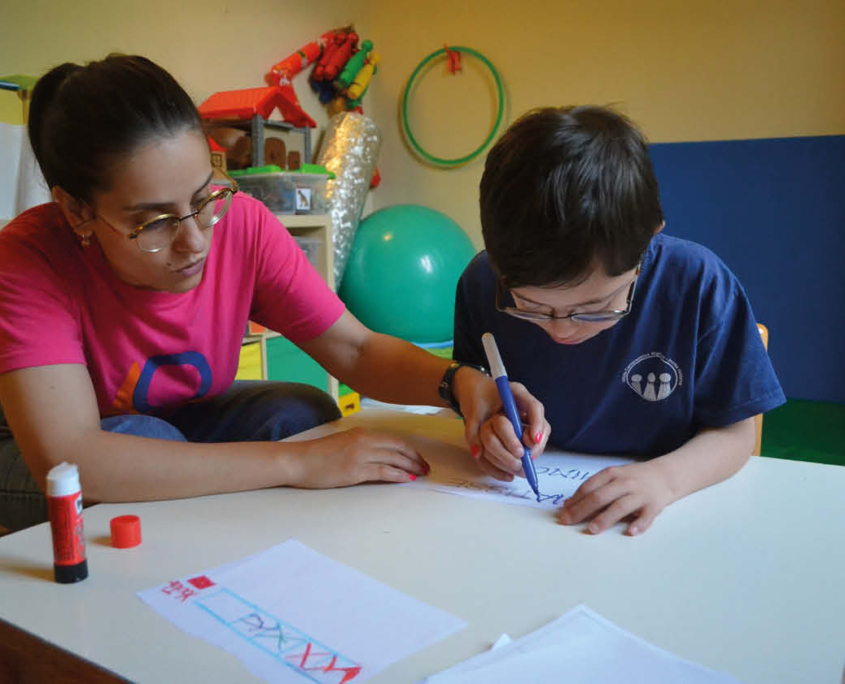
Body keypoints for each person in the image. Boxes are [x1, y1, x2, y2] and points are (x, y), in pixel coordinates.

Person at [0, 55, 549, 532]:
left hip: (177, 423)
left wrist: (461, 383)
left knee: (300, 410)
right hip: (40, 454)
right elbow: (73, 456)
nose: (195, 242)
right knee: (147, 434)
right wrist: (299, 464)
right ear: (77, 210)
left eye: (204, 198)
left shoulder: (242, 226)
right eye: (155, 223)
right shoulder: (29, 257)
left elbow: (355, 349)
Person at [453, 105, 786, 536]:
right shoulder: (483, 283)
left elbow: (737, 435)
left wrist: (665, 479)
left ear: (648, 240)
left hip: (666, 520)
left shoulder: (697, 284)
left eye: (595, 307)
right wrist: (492, 429)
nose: (562, 328)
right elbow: (475, 387)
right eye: (531, 307)